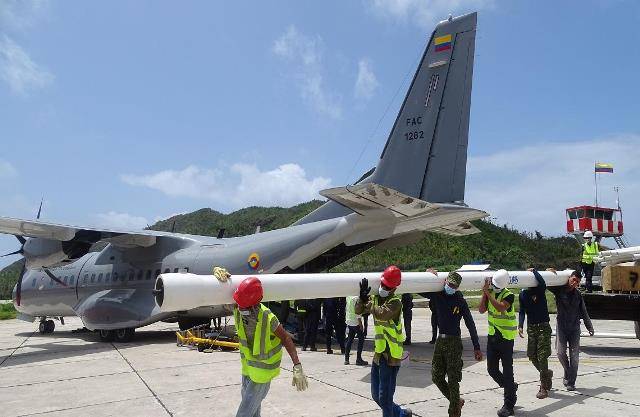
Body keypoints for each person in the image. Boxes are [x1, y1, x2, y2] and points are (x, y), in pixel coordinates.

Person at [231, 277, 309, 417]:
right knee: (253, 413)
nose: (241, 308)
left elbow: (285, 338)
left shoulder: (267, 317)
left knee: (244, 413)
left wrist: (297, 365)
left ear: (255, 303)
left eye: (244, 306)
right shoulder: (238, 307)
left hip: (262, 372)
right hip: (247, 368)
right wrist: (225, 278)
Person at [356, 266, 412, 417]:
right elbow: (358, 311)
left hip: (391, 357)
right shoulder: (375, 299)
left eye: (387, 287)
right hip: (379, 353)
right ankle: (402, 414)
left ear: (394, 288)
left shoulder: (396, 303)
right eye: (383, 284)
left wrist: (368, 303)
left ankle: (399, 414)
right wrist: (361, 299)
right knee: (376, 396)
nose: (383, 288)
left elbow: (381, 314)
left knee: (385, 399)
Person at [425, 269, 483, 417]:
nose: (451, 287)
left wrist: (476, 347)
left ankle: (454, 412)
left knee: (453, 379)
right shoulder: (437, 295)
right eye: (450, 284)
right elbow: (421, 290)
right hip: (440, 340)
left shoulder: (460, 300)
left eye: (454, 286)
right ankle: (456, 401)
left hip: (454, 342)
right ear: (445, 281)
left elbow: (470, 324)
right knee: (436, 377)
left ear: (458, 287)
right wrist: (428, 275)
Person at [479, 269, 517, 417]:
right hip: (493, 337)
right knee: (492, 370)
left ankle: (509, 405)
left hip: (506, 339)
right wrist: (485, 294)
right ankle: (510, 387)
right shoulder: (490, 293)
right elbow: (481, 310)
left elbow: (500, 307)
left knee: (508, 372)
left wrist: (488, 293)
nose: (494, 287)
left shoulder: (509, 295)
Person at [548, 269, 594, 391]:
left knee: (574, 356)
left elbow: (584, 311)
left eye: (577, 282)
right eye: (574, 280)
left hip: (574, 329)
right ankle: (568, 372)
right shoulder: (559, 290)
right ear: (569, 278)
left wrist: (589, 327)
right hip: (562, 327)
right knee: (560, 353)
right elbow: (546, 284)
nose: (575, 283)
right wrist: (549, 273)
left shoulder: (578, 295)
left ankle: (571, 382)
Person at [518, 268, 553, 399]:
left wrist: (535, 271)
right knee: (532, 355)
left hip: (543, 327)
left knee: (542, 357)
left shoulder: (539, 290)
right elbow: (522, 311)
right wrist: (520, 325)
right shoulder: (523, 294)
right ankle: (546, 373)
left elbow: (543, 283)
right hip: (532, 328)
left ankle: (543, 387)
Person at [344, 295, 368, 366]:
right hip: (355, 322)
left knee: (350, 340)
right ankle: (358, 359)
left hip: (349, 320)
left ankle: (346, 359)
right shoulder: (357, 298)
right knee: (361, 339)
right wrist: (360, 324)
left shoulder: (348, 297)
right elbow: (358, 312)